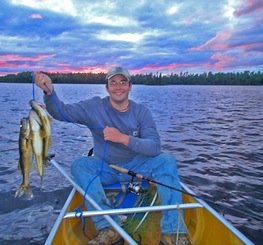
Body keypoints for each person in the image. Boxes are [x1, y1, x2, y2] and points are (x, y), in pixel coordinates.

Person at [34, 67, 187, 245]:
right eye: (113, 82)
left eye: (123, 82)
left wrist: (123, 139)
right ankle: (108, 227)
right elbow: (61, 112)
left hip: (138, 166)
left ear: (130, 87)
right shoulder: (94, 107)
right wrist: (49, 91)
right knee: (80, 165)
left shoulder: (141, 112)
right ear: (107, 88)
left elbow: (154, 147)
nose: (118, 86)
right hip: (105, 166)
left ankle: (172, 233)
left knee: (166, 161)